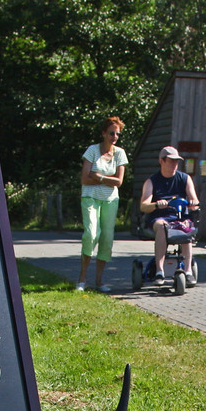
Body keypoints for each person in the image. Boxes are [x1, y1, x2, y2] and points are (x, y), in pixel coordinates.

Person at [77, 116, 127, 292]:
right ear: (104, 133)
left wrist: (98, 176)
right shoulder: (92, 150)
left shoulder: (120, 153)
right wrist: (106, 180)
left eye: (117, 134)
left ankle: (99, 281)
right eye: (111, 133)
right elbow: (84, 178)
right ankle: (82, 279)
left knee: (106, 239)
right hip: (90, 198)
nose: (114, 136)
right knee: (91, 234)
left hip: (110, 201)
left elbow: (119, 182)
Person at [140, 146, 200, 285]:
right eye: (171, 161)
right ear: (162, 161)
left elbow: (195, 202)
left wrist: (192, 203)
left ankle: (188, 271)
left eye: (176, 161)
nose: (174, 164)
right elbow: (143, 205)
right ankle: (159, 271)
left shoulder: (185, 179)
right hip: (160, 217)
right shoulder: (152, 181)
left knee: (186, 226)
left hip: (179, 217)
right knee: (162, 227)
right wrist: (156, 204)